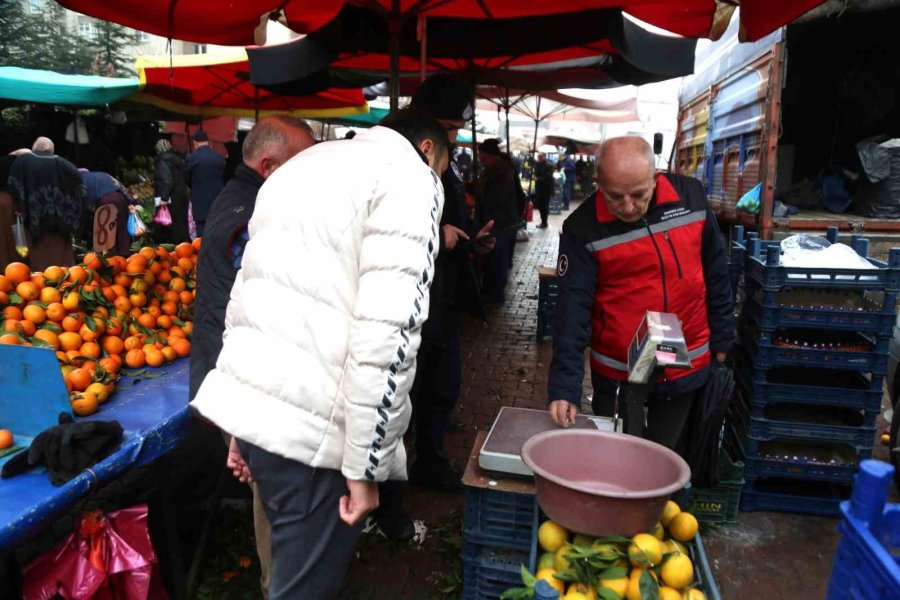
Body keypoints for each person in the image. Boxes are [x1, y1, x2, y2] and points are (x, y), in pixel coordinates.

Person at [190, 107, 450, 600]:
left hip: (269, 420)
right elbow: (388, 335)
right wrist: (366, 468)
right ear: (428, 151)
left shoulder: (301, 168)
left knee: (289, 579)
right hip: (316, 437)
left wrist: (240, 422)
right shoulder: (410, 180)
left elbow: (246, 299)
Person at [189, 116, 316, 597]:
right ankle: (280, 588)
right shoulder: (252, 218)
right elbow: (270, 308)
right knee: (278, 500)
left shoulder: (244, 198)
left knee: (279, 493)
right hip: (248, 379)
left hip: (242, 373)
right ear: (269, 167)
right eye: (301, 163)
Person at [547, 136, 733, 454]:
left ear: (655, 176)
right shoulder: (582, 228)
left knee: (667, 457)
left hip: (685, 361)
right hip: (618, 372)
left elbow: (716, 272)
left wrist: (723, 339)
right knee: (616, 459)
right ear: (598, 182)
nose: (629, 206)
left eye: (638, 194)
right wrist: (565, 386)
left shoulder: (691, 198)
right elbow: (571, 311)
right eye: (615, 196)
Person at [404, 73, 494, 495]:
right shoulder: (402, 164)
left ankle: (431, 460)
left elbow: (450, 214)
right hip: (415, 299)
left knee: (441, 386)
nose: (455, 138)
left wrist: (474, 239)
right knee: (411, 392)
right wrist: (439, 237)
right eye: (450, 128)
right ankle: (393, 485)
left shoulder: (445, 160)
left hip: (443, 295)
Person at [6, 137, 85, 271]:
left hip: (33, 218)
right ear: (51, 149)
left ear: (34, 148)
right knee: (62, 258)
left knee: (38, 257)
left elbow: (13, 186)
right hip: (59, 221)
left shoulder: (23, 161)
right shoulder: (63, 164)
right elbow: (80, 185)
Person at [477, 138, 520, 303]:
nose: (481, 160)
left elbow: (497, 199)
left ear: (492, 156)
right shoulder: (497, 170)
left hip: (501, 224)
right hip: (500, 222)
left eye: (483, 157)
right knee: (494, 260)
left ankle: (495, 294)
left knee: (498, 260)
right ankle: (491, 291)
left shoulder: (501, 173)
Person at [81, 170, 139, 256]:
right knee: (122, 228)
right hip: (120, 199)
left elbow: (84, 201)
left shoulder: (81, 180)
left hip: (105, 202)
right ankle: (126, 255)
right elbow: (121, 187)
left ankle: (110, 258)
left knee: (107, 233)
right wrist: (130, 202)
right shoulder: (103, 174)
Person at [184, 130, 225, 237]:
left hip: (199, 201)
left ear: (195, 143)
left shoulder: (191, 158)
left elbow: (186, 178)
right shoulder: (219, 157)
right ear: (208, 142)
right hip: (217, 200)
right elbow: (224, 176)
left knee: (201, 235)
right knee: (215, 232)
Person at [153, 139, 190, 243]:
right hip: (181, 194)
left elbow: (167, 181)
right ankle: (182, 243)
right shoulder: (176, 160)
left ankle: (173, 245)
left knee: (170, 222)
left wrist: (164, 198)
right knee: (180, 221)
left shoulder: (162, 162)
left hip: (171, 197)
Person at [533, 152, 554, 228]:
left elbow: (549, 177)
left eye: (541, 157)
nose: (539, 158)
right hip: (539, 188)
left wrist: (538, 179)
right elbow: (536, 173)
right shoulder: (537, 164)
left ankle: (544, 222)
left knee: (544, 206)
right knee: (540, 205)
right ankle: (543, 221)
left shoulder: (549, 165)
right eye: (538, 157)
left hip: (546, 189)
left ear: (544, 157)